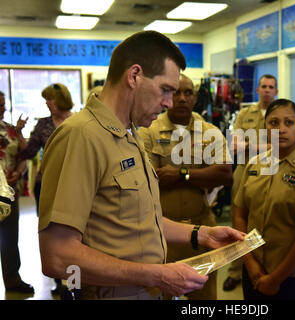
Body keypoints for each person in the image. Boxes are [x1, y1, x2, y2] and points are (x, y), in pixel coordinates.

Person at [38, 31, 245, 300]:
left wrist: (201, 234)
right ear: (134, 76)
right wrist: (158, 274)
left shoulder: (130, 133)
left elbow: (141, 220)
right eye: (166, 90)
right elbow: (57, 256)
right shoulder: (81, 136)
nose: (171, 102)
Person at [139, 74, 233, 300]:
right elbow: (146, 177)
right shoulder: (148, 130)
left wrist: (181, 173)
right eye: (175, 92)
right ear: (166, 96)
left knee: (205, 298)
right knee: (157, 295)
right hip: (161, 234)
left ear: (195, 97)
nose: (181, 98)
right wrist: (201, 174)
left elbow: (224, 174)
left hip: (202, 230)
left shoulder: (209, 131)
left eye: (187, 93)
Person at [233, 98, 295, 300]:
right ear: (265, 127)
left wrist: (276, 278)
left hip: (293, 277)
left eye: (288, 123)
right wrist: (251, 265)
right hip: (252, 270)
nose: (281, 129)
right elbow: (240, 216)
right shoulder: (254, 164)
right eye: (274, 123)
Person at [17, 83, 73, 296]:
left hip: (73, 183)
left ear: (60, 100)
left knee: (75, 230)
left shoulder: (80, 120)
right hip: (47, 184)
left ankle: (76, 275)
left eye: (49, 99)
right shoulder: (43, 124)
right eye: (45, 100)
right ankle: (59, 279)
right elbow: (28, 152)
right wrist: (20, 132)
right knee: (52, 231)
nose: (47, 104)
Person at [223, 74, 278, 291]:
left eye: (271, 87)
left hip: (271, 172)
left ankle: (267, 268)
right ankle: (236, 271)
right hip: (244, 172)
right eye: (263, 86)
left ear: (276, 91)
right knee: (239, 223)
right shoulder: (245, 114)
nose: (267, 90)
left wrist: (247, 144)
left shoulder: (280, 113)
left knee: (269, 222)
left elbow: (280, 145)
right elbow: (233, 145)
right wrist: (261, 145)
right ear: (257, 90)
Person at [0, 90, 34, 294]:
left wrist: (19, 173)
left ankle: (12, 279)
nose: (3, 108)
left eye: (4, 104)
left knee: (10, 237)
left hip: (9, 190)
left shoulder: (10, 129)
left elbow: (25, 154)